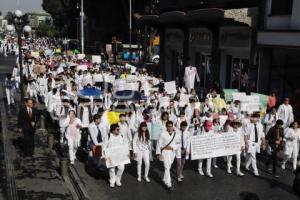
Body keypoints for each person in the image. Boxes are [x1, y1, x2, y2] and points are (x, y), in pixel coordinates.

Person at [156, 121, 180, 189]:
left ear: (173, 126)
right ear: (166, 127)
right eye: (168, 126)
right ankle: (168, 183)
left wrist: (172, 147)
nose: (170, 128)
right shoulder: (162, 134)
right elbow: (158, 144)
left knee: (168, 167)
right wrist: (158, 153)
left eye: (171, 126)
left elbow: (178, 144)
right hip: (165, 152)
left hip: (172, 152)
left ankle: (164, 178)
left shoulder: (176, 134)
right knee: (166, 167)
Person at [102, 124, 128, 188]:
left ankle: (118, 179)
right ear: (113, 130)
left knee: (121, 168)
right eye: (117, 129)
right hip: (110, 155)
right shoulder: (108, 136)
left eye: (119, 129)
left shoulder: (121, 136)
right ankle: (112, 181)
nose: (119, 131)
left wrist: (127, 153)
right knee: (112, 169)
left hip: (119, 155)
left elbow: (125, 144)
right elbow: (104, 146)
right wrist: (104, 155)